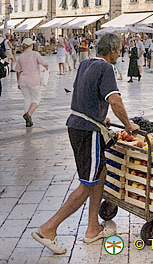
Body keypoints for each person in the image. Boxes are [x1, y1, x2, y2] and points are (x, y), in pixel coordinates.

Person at [31, 33, 139, 254]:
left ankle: (92, 228)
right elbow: (114, 99)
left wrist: (100, 115)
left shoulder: (85, 63)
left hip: (77, 124)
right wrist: (128, 124)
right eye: (119, 50)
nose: (119, 54)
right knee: (86, 185)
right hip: (89, 131)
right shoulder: (106, 68)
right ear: (112, 50)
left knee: (99, 174)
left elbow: (84, 94)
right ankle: (48, 229)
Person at [16, 37, 49, 127]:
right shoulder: (35, 54)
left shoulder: (20, 56)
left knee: (27, 99)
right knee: (36, 99)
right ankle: (29, 114)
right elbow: (45, 64)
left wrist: (18, 82)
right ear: (31, 45)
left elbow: (18, 71)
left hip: (23, 80)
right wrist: (45, 68)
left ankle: (28, 120)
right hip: (34, 80)